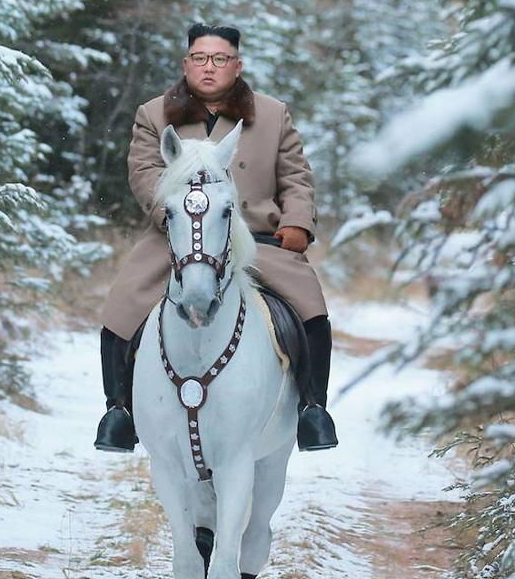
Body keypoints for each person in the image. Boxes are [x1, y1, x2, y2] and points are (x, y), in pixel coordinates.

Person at [95, 22, 338, 454]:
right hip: (176, 237)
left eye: (220, 59)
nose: (209, 67)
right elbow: (145, 174)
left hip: (258, 239)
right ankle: (119, 412)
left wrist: (298, 222)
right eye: (200, 58)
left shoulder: (272, 114)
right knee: (122, 308)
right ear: (186, 63)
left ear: (237, 65)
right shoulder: (153, 115)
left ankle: (312, 409)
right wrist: (175, 215)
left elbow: (296, 177)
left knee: (311, 312)